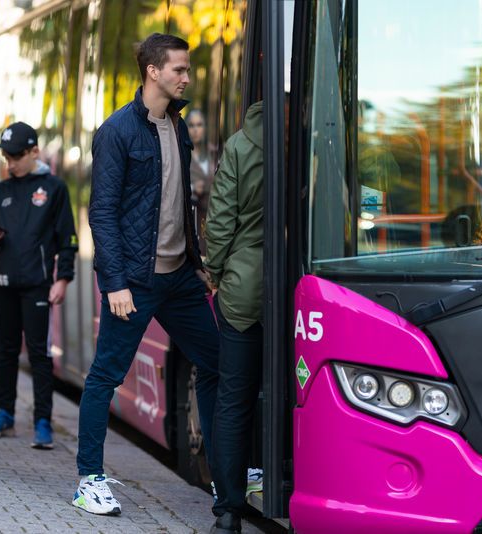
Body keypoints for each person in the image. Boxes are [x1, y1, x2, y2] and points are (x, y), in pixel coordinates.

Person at [72, 33, 219, 516]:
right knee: (105, 376)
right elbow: (102, 213)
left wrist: (197, 264)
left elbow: (179, 201)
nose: (186, 77)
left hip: (179, 278)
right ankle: (89, 480)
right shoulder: (117, 131)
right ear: (154, 71)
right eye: (179, 69)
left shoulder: (178, 125)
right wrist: (114, 282)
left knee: (216, 363)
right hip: (134, 281)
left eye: (187, 69)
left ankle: (226, 474)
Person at [0, 121, 77, 449]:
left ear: (34, 152)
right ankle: (4, 414)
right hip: (3, 283)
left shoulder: (54, 188)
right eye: (6, 157)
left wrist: (63, 278)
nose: (11, 163)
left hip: (37, 284)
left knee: (39, 353)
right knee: (7, 351)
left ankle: (43, 421)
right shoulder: (0, 191)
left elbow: (67, 238)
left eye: (17, 156)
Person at [205, 100, 264, 534]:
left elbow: (220, 222)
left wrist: (218, 272)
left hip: (243, 291)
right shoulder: (318, 140)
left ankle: (228, 510)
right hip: (302, 293)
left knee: (233, 400)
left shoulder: (241, 145)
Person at [186, 109, 216, 255]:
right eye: (191, 125)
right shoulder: (183, 153)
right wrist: (192, 188)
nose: (196, 130)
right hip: (191, 220)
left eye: (199, 125)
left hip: (213, 219)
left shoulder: (214, 152)